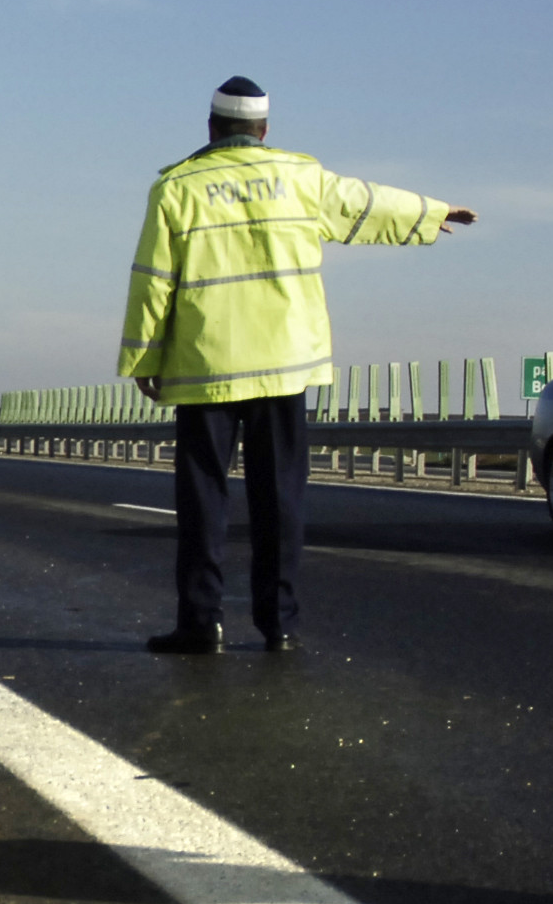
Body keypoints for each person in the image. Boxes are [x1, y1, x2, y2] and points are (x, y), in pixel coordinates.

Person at [118, 77, 476, 654]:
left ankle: (200, 623)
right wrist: (432, 214)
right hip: (284, 365)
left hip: (205, 369)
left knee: (204, 501)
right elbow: (363, 201)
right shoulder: (298, 178)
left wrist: (143, 357)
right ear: (264, 130)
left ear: (210, 127)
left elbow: (153, 281)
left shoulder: (176, 188)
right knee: (279, 499)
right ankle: (279, 625)